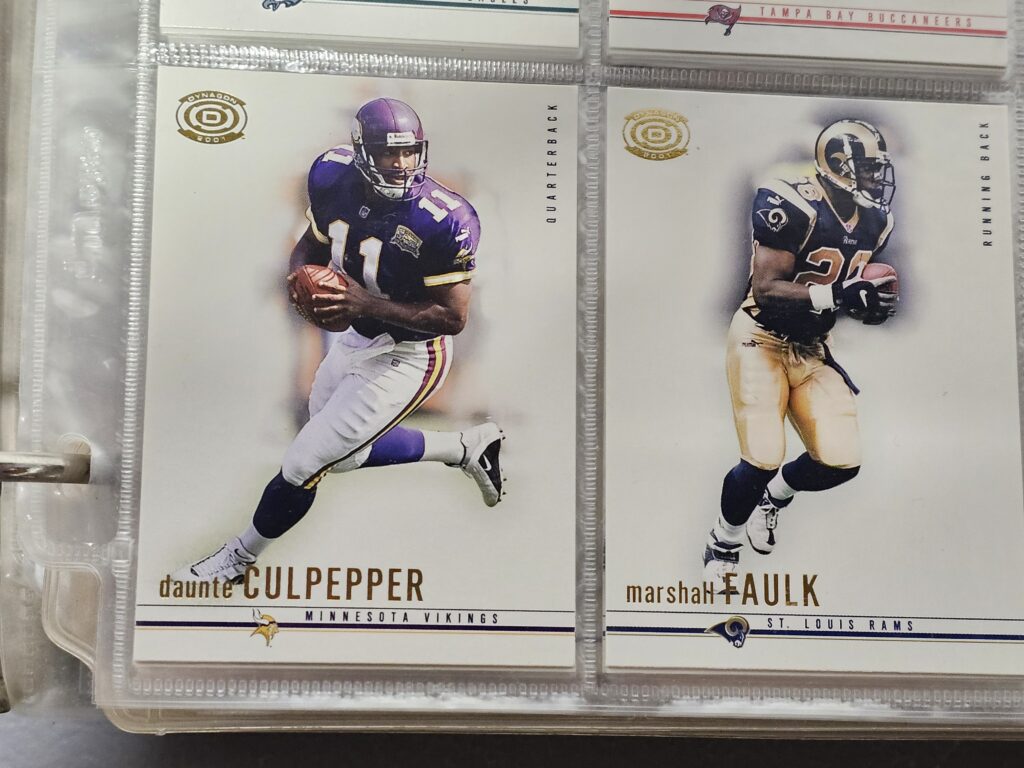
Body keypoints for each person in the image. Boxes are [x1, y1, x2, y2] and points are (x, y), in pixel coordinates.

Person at [176, 97, 504, 584]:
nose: (401, 164)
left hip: (412, 353)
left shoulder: (445, 218)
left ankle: (237, 560)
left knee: (303, 461)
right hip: (356, 338)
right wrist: (300, 281)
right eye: (388, 152)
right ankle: (465, 447)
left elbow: (452, 318)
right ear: (362, 151)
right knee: (343, 455)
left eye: (409, 152)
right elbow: (310, 246)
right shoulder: (331, 175)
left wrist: (363, 304)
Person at [703, 119, 898, 593]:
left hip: (811, 347)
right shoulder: (790, 202)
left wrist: (867, 304)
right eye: (868, 168)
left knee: (841, 460)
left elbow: (844, 291)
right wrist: (841, 295)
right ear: (839, 165)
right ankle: (723, 542)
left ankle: (775, 498)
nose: (877, 178)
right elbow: (767, 290)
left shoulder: (877, 222)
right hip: (761, 336)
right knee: (762, 456)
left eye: (879, 169)